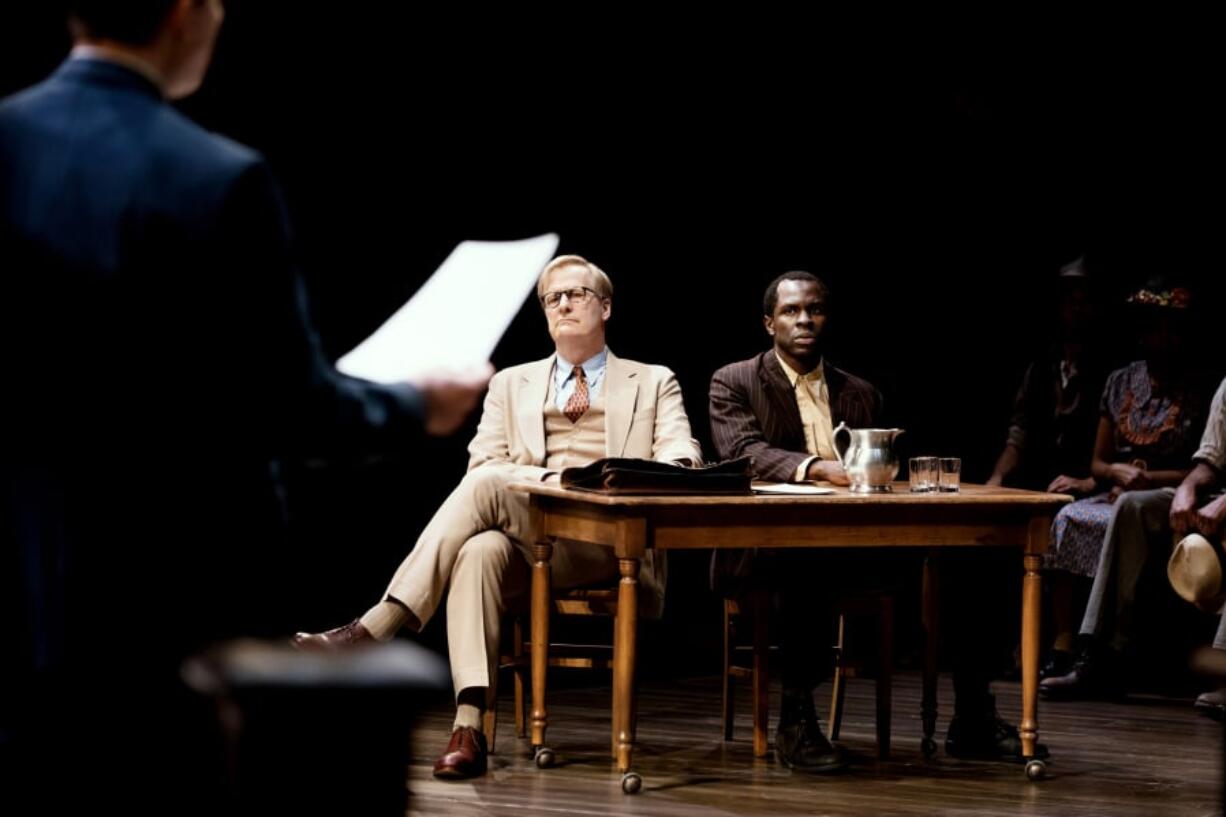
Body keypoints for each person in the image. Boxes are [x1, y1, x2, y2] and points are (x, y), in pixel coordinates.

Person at [0, 1, 488, 806]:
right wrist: (414, 407)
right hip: (168, 588)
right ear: (188, 14)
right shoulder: (216, 177)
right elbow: (294, 408)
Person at [293, 254, 703, 780]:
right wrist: (544, 485)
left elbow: (679, 456)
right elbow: (483, 463)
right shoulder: (511, 384)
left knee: (488, 487)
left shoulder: (652, 380)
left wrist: (594, 480)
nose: (563, 304)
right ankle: (470, 727)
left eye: (576, 294)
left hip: (608, 537)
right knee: (477, 550)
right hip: (535, 531)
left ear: (605, 306)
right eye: (552, 298)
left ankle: (374, 628)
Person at [709, 271, 1037, 773]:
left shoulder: (859, 392)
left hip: (857, 537)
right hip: (768, 544)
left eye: (814, 309)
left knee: (971, 555)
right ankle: (797, 721)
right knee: (808, 563)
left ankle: (972, 710)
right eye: (792, 311)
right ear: (768, 322)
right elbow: (744, 453)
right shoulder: (735, 381)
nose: (804, 320)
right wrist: (821, 470)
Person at [1041, 283, 1210, 702]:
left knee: (1129, 508)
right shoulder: (1121, 381)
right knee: (1069, 516)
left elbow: (1206, 464)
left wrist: (1147, 479)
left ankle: (1099, 653)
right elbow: (1098, 462)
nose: (1163, 339)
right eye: (1155, 330)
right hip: (1119, 493)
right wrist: (1114, 470)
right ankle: (1067, 644)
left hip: (1174, 491)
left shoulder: (1198, 385)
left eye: (1172, 331)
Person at [986, 257, 1108, 677]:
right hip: (1043, 477)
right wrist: (997, 479)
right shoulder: (1041, 366)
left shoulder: (1110, 370)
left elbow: (1118, 444)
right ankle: (1012, 644)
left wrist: (1091, 479)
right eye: (1069, 301)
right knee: (1001, 527)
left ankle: (1062, 644)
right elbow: (1018, 432)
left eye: (1084, 301)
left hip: (1089, 482)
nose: (1076, 310)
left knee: (1063, 524)